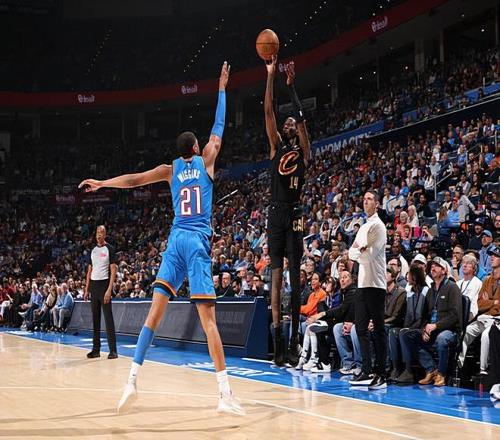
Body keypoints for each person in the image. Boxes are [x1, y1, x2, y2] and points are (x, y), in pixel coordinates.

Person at [79, 62, 244, 416]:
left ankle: (131, 381)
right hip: (196, 242)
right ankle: (225, 394)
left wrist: (103, 183)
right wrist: (222, 88)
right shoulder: (207, 161)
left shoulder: (169, 171)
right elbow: (219, 127)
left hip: (174, 241)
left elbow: (134, 180)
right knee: (209, 321)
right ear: (197, 148)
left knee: (153, 315)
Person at [264, 55, 311, 366]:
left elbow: (303, 121)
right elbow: (268, 111)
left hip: (295, 214)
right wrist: (271, 76)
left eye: (292, 123)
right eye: (287, 123)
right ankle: (278, 343)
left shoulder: (304, 151)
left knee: (295, 279)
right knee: (276, 280)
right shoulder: (276, 146)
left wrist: (292, 88)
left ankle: (294, 342)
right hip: (275, 214)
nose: (289, 124)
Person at [348, 190, 388, 389]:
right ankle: (366, 370)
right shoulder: (363, 227)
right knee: (360, 328)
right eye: (364, 199)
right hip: (363, 284)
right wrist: (359, 250)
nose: (366, 202)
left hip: (376, 284)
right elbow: (351, 252)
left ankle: (381, 374)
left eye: (370, 199)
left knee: (379, 330)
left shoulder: (379, 227)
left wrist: (360, 251)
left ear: (377, 204)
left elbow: (369, 256)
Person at [82, 226, 118, 357]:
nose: (99, 234)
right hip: (94, 286)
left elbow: (113, 270)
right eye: (97, 232)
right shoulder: (92, 250)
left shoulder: (110, 249)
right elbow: (89, 271)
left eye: (101, 232)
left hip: (104, 285)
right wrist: (87, 289)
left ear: (105, 234)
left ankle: (113, 350)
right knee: (95, 319)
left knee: (108, 319)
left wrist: (109, 289)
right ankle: (96, 349)